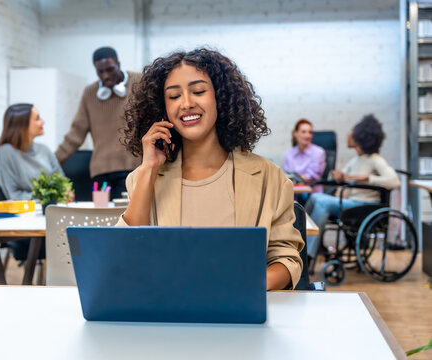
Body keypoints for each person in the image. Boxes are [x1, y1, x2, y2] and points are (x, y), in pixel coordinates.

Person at [117, 48, 304, 291]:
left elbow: (286, 260)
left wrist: (246, 287)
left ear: (220, 97)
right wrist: (149, 169)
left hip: (240, 315)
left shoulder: (269, 177)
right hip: (168, 315)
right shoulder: (143, 179)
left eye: (198, 91)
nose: (186, 103)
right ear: (163, 110)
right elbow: (127, 257)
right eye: (174, 96)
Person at [305, 114, 400, 257]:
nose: (348, 135)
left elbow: (395, 181)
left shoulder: (375, 159)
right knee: (315, 198)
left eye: (352, 132)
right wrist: (337, 176)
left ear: (360, 136)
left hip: (364, 206)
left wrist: (369, 178)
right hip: (353, 205)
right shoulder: (355, 160)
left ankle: (308, 254)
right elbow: (343, 176)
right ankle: (304, 244)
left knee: (320, 200)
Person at [55, 47, 141, 199]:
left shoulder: (139, 83)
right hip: (100, 173)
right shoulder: (90, 93)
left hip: (131, 169)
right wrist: (52, 161)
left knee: (127, 217)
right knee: (102, 217)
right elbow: (75, 135)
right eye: (100, 72)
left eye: (110, 70)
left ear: (119, 64)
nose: (105, 76)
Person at [0, 103, 64, 200]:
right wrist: (50, 197)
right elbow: (14, 196)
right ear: (22, 125)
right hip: (27, 212)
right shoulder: (6, 152)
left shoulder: (45, 149)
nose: (43, 122)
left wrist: (65, 193)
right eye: (37, 119)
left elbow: (62, 183)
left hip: (52, 209)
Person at [282, 118, 326, 193]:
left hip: (311, 195)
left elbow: (310, 177)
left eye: (310, 132)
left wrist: (293, 178)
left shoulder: (318, 152)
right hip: (292, 194)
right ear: (295, 133)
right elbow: (284, 177)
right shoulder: (288, 153)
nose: (307, 135)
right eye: (303, 132)